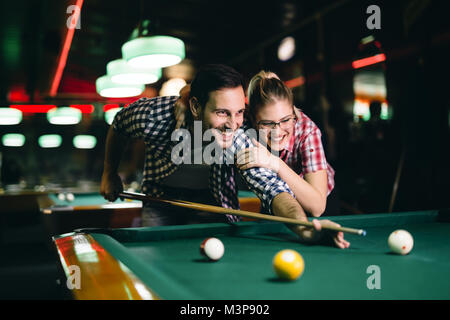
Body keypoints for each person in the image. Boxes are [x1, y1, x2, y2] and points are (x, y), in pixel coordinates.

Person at [102, 64, 349, 248]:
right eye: (222, 112)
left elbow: (273, 189)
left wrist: (306, 230)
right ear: (196, 106)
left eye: (239, 112)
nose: (233, 124)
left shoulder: (237, 137)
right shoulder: (155, 116)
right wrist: (109, 173)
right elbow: (119, 124)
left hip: (212, 203)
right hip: (161, 201)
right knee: (156, 256)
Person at [236, 71, 337, 218]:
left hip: (319, 202)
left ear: (293, 112)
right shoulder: (245, 127)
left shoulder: (307, 130)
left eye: (285, 120)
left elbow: (317, 207)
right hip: (276, 197)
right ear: (252, 118)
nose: (277, 131)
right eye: (268, 123)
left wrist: (273, 162)